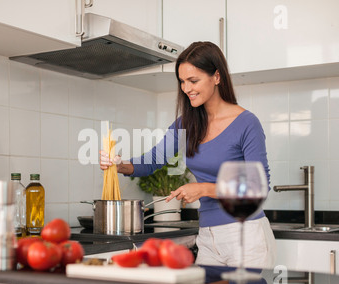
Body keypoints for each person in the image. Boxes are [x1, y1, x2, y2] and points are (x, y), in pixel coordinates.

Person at [99, 41, 276, 269]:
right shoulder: (186, 125)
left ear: (217, 77)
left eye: (193, 80)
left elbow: (258, 187)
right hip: (208, 237)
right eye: (182, 82)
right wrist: (118, 164)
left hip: (246, 236)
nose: (186, 88)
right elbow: (154, 160)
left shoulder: (246, 123)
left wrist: (203, 189)